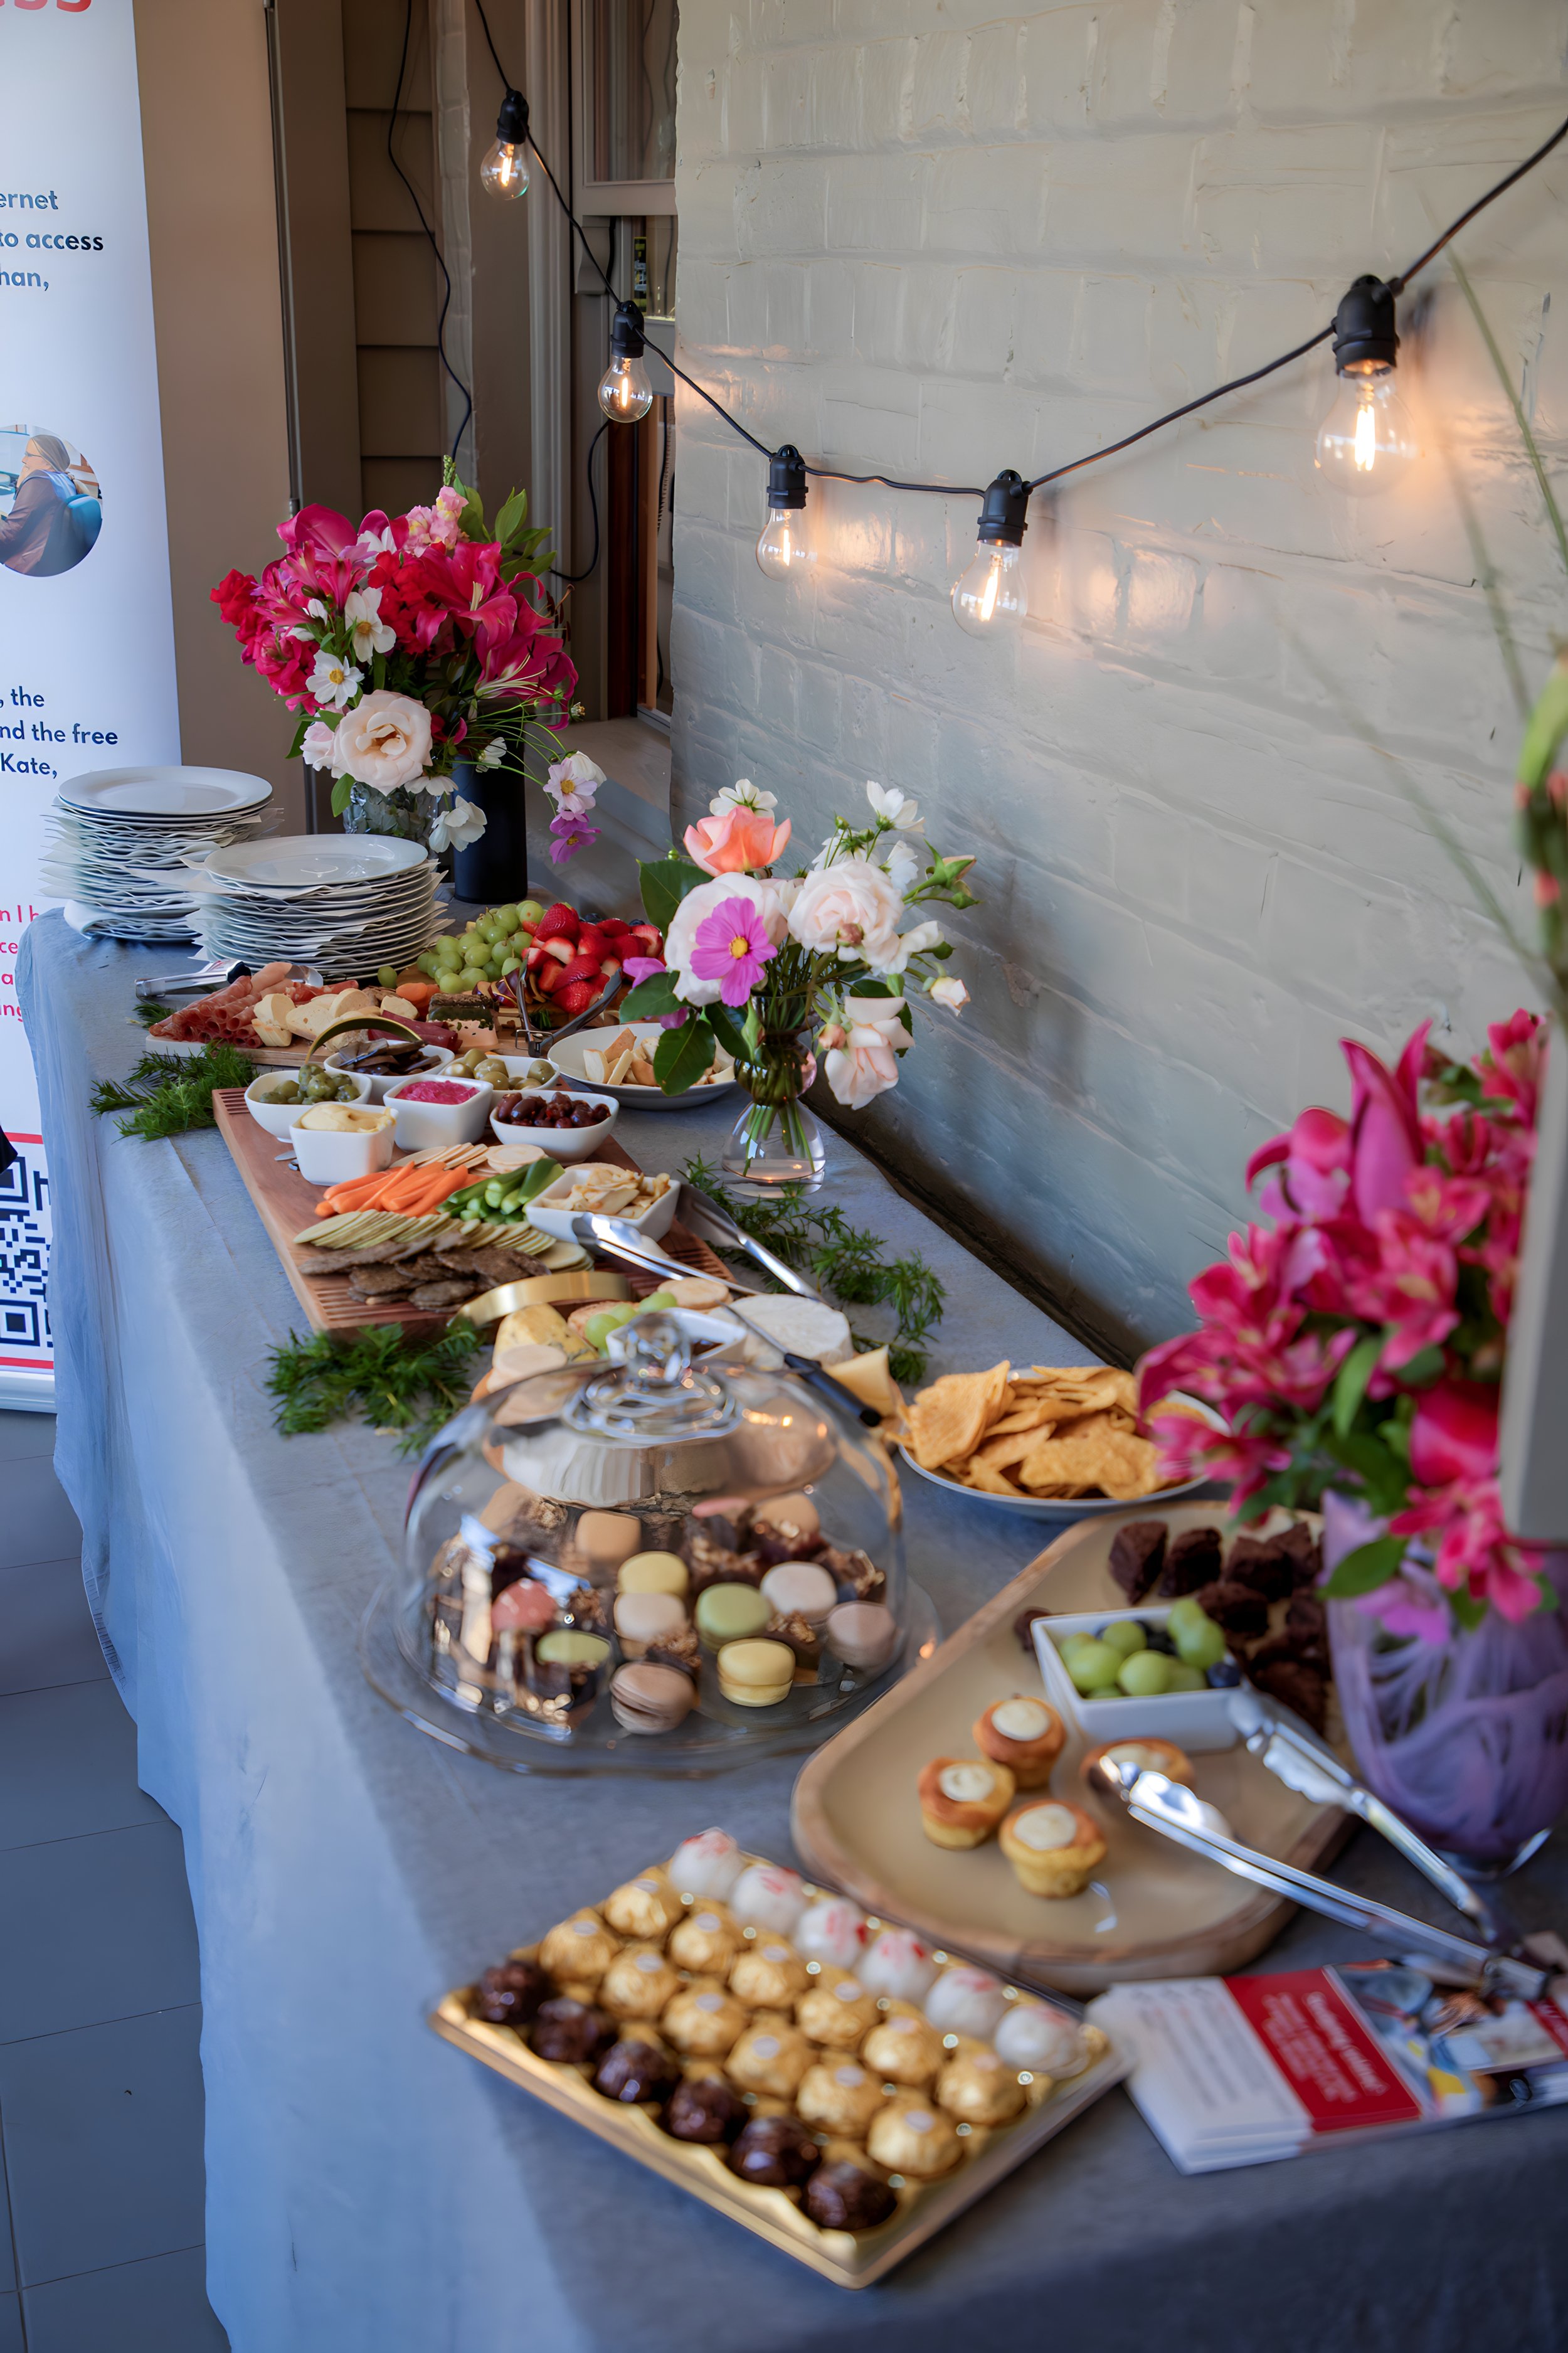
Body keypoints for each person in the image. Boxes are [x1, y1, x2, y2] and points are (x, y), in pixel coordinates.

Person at [0, 432, 100, 576]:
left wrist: (25, 482)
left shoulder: (39, 481)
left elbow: (8, 536)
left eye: (29, 455)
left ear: (47, 459)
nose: (23, 460)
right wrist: (21, 485)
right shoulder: (65, 480)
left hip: (22, 564)